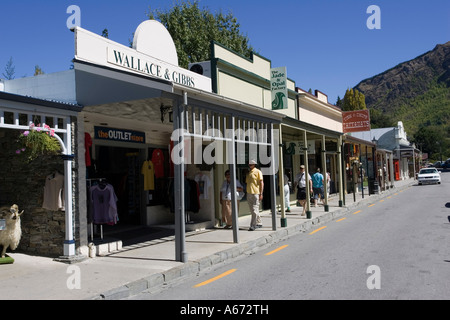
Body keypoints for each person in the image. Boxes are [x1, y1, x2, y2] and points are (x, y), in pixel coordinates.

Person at [246, 159, 264, 231]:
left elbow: (261, 183)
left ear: (254, 165)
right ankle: (259, 222)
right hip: (249, 192)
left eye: (251, 164)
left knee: (254, 210)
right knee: (253, 209)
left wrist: (261, 193)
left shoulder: (258, 172)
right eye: (249, 164)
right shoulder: (249, 173)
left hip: (256, 192)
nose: (250, 165)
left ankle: (253, 225)